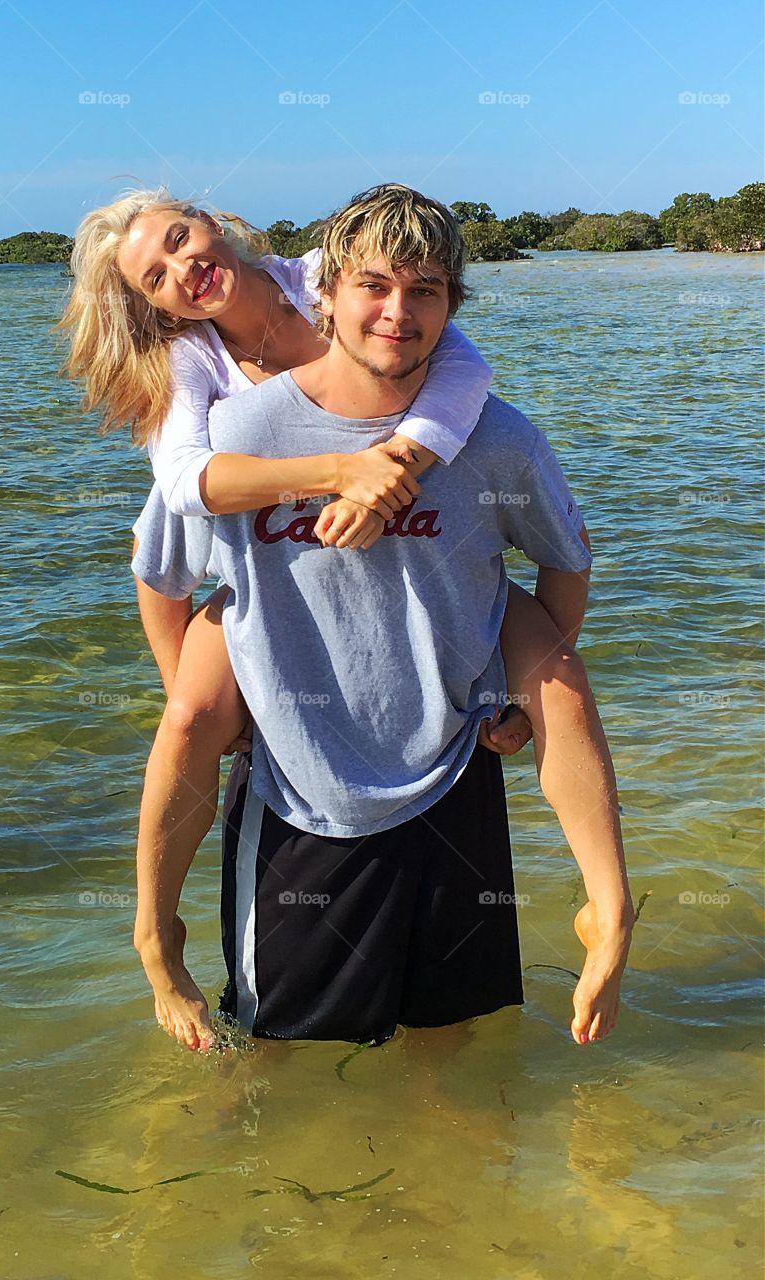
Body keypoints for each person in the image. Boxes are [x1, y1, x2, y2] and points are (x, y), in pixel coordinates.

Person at [129, 183, 635, 1051]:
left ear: (451, 307)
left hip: (452, 778)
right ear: (322, 294)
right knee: (278, 1072)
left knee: (458, 1059)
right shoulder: (234, 433)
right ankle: (154, 936)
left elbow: (566, 555)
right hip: (298, 795)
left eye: (425, 291)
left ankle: (613, 908)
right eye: (374, 285)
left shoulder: (497, 437)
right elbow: (162, 573)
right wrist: (207, 703)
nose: (398, 313)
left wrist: (514, 706)